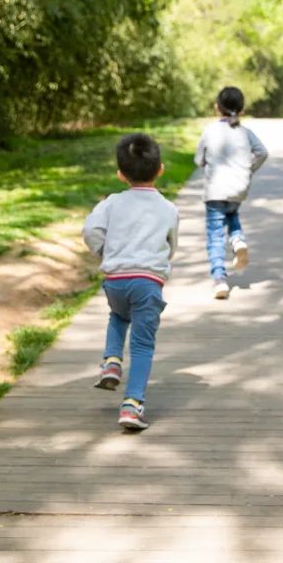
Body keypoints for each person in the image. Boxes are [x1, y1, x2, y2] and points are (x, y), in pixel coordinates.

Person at [82, 133, 179, 430]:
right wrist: (159, 263)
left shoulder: (111, 203)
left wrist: (105, 251)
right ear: (160, 169)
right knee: (142, 346)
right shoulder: (168, 208)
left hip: (116, 280)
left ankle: (111, 361)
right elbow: (171, 245)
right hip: (148, 281)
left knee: (118, 315)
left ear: (120, 174)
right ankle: (132, 405)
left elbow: (90, 230)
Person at [195, 87, 268, 300]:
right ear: (242, 109)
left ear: (217, 108)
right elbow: (262, 153)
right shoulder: (245, 132)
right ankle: (238, 240)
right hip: (238, 189)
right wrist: (248, 169)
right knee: (231, 214)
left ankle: (220, 279)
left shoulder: (210, 131)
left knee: (215, 235)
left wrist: (207, 162)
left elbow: (198, 160)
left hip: (215, 191)